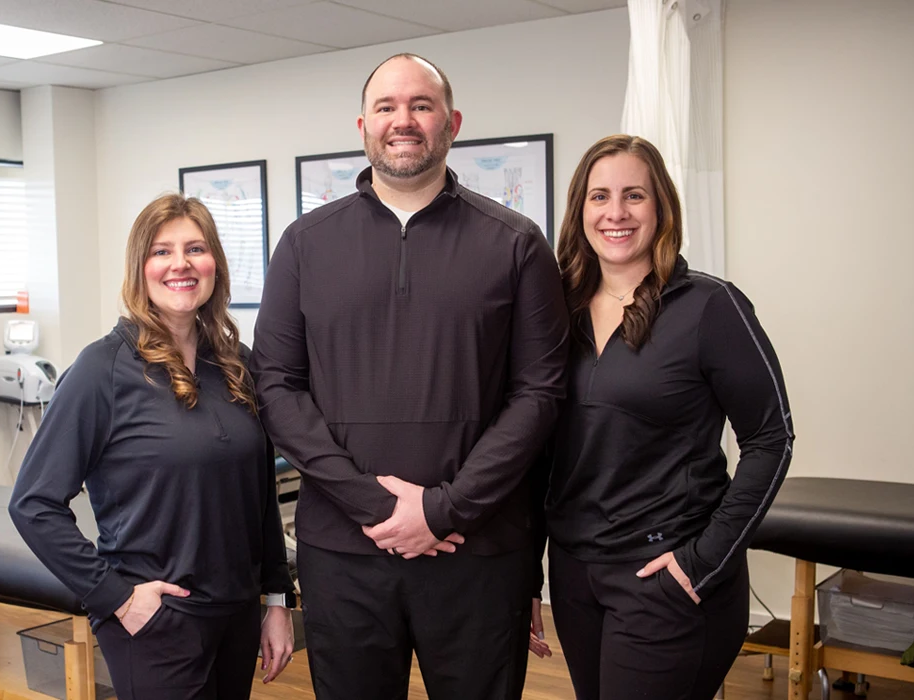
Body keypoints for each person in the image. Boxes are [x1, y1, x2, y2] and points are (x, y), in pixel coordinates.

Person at [251, 53, 569, 700]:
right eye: (389, 108)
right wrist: (377, 505)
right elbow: (277, 388)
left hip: (477, 552)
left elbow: (540, 395)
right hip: (343, 556)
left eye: (421, 106)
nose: (405, 121)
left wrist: (441, 509)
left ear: (451, 122)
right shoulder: (305, 245)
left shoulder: (516, 243)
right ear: (363, 125)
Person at [9, 193, 296, 700]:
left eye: (195, 249)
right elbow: (33, 503)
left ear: (215, 266)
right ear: (140, 268)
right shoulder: (102, 370)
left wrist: (276, 600)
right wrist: (115, 597)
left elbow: (259, 496)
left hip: (237, 615)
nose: (180, 265)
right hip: (157, 621)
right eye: (162, 252)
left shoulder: (236, 364)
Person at [543, 135, 793, 699]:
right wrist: (527, 578)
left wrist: (701, 562)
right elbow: (536, 449)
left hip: (665, 574)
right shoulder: (555, 309)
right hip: (575, 574)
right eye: (600, 196)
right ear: (579, 209)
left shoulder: (711, 306)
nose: (616, 212)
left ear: (661, 209)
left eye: (635, 195)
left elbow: (771, 438)